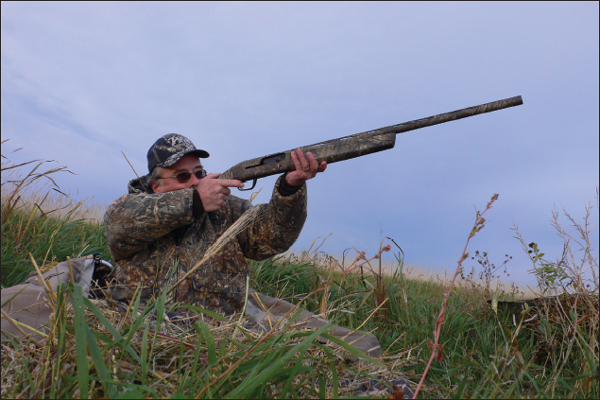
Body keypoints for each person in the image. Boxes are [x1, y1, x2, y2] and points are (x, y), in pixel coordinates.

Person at [104, 133, 386, 360]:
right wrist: (195, 201)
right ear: (155, 186)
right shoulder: (129, 209)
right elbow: (120, 225)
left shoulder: (226, 210)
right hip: (149, 328)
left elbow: (272, 239)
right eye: (182, 176)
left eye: (199, 173)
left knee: (348, 346)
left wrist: (289, 188)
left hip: (227, 329)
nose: (195, 182)